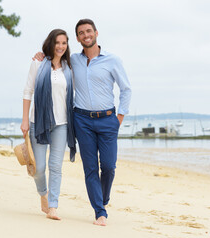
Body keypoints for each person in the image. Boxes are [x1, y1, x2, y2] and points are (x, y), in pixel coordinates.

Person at [34, 19, 131, 226]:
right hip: (82, 120)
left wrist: (119, 118)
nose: (86, 35)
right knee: (89, 168)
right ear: (77, 38)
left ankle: (102, 199)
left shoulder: (112, 60)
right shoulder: (73, 61)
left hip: (107, 120)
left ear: (96, 33)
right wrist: (41, 56)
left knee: (108, 166)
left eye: (89, 31)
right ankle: (100, 212)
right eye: (81, 33)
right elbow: (54, 63)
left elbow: (126, 89)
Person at [21, 29, 76, 220]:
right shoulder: (38, 63)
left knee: (55, 166)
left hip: (62, 123)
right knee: (39, 168)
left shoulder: (69, 67)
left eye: (64, 43)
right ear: (50, 43)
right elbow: (28, 92)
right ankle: (43, 193)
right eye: (57, 42)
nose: (61, 46)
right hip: (39, 122)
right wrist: (25, 120)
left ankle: (53, 206)